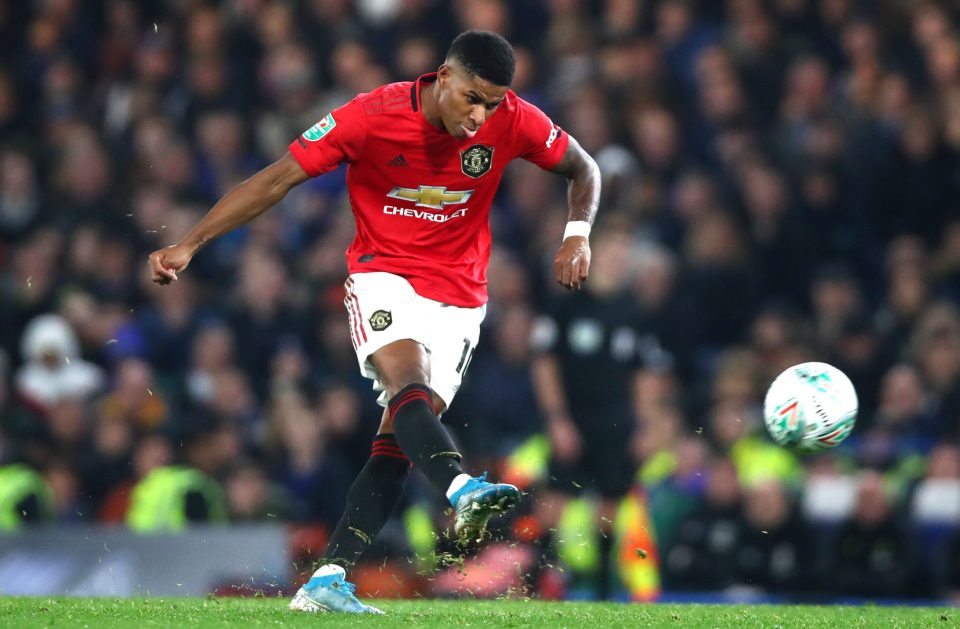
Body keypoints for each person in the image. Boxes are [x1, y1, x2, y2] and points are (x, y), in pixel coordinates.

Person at [148, 30, 600, 614]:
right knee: (404, 380)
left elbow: (583, 168)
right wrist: (191, 243)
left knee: (400, 438)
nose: (480, 114)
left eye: (491, 102)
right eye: (471, 97)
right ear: (443, 76)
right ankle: (462, 488)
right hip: (382, 274)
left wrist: (577, 234)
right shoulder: (370, 116)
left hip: (461, 297)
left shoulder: (512, 119)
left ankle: (325, 580)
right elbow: (278, 178)